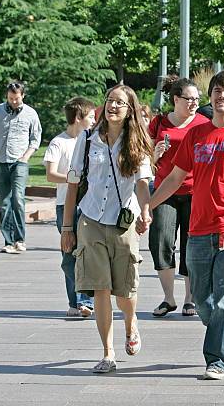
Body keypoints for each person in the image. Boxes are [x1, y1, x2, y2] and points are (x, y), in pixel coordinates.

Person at [150, 70, 224, 380]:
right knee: (203, 300)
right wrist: (148, 206)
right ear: (211, 96)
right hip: (200, 226)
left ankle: (217, 359)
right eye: (218, 91)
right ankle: (222, 334)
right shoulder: (196, 135)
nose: (222, 96)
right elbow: (175, 177)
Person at [61, 84, 153, 373]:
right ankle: (108, 353)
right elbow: (73, 184)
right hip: (90, 219)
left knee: (124, 290)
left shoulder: (136, 141)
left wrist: (146, 211)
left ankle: (131, 322)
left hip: (123, 221)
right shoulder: (87, 140)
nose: (113, 106)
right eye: (110, 101)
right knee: (100, 287)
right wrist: (67, 226)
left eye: (120, 103)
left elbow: (141, 182)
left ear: (130, 111)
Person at [148, 78, 209, 318]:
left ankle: (189, 299)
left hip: (195, 191)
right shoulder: (159, 123)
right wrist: (155, 153)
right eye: (189, 99)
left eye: (197, 98)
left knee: (191, 244)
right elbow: (143, 156)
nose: (194, 103)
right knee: (161, 240)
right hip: (165, 190)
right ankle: (168, 298)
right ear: (176, 99)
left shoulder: (204, 123)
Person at [43, 97, 96, 317]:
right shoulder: (59, 142)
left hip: (88, 205)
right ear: (78, 118)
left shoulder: (93, 140)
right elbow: (50, 174)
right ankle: (77, 301)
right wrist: (74, 179)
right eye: (91, 117)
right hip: (65, 204)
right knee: (69, 254)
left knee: (85, 252)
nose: (94, 121)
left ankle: (85, 301)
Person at [0, 81, 42, 254]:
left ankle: (20, 239)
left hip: (19, 163)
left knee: (18, 200)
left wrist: (25, 157)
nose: (14, 101)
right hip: (0, 162)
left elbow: (35, 140)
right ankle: (8, 241)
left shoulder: (31, 114)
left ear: (23, 96)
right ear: (7, 95)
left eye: (17, 98)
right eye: (11, 98)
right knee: (4, 203)